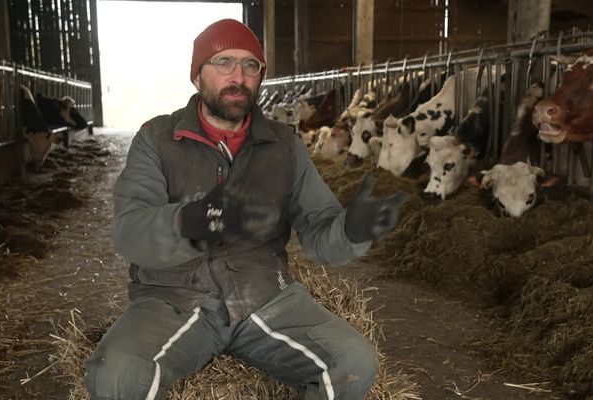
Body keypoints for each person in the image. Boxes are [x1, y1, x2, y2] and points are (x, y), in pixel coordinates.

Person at [85, 18, 408, 400]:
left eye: (250, 66)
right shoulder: (156, 139)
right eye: (223, 63)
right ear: (197, 76)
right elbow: (130, 232)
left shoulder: (284, 146)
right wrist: (191, 221)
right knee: (116, 374)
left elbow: (321, 234)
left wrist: (352, 231)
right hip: (174, 298)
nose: (238, 76)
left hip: (266, 294)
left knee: (354, 360)